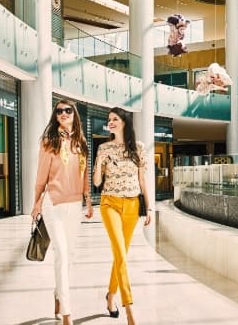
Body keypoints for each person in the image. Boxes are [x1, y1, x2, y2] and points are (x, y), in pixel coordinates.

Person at [31, 99, 93, 325]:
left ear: (74, 114)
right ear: (55, 116)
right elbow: (41, 175)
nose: (64, 114)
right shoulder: (49, 141)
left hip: (75, 204)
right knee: (62, 255)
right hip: (53, 203)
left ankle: (58, 295)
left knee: (70, 257)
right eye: (59, 111)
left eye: (68, 110)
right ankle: (67, 313)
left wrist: (88, 200)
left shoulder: (81, 142)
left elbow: (84, 173)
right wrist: (36, 202)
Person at [93, 107, 152, 325]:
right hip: (110, 204)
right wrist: (99, 162)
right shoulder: (103, 148)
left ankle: (110, 296)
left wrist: (149, 208)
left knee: (121, 256)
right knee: (120, 253)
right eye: (109, 120)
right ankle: (130, 311)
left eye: (115, 119)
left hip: (132, 205)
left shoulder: (139, 148)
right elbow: (97, 182)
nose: (111, 122)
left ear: (124, 122)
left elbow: (143, 180)